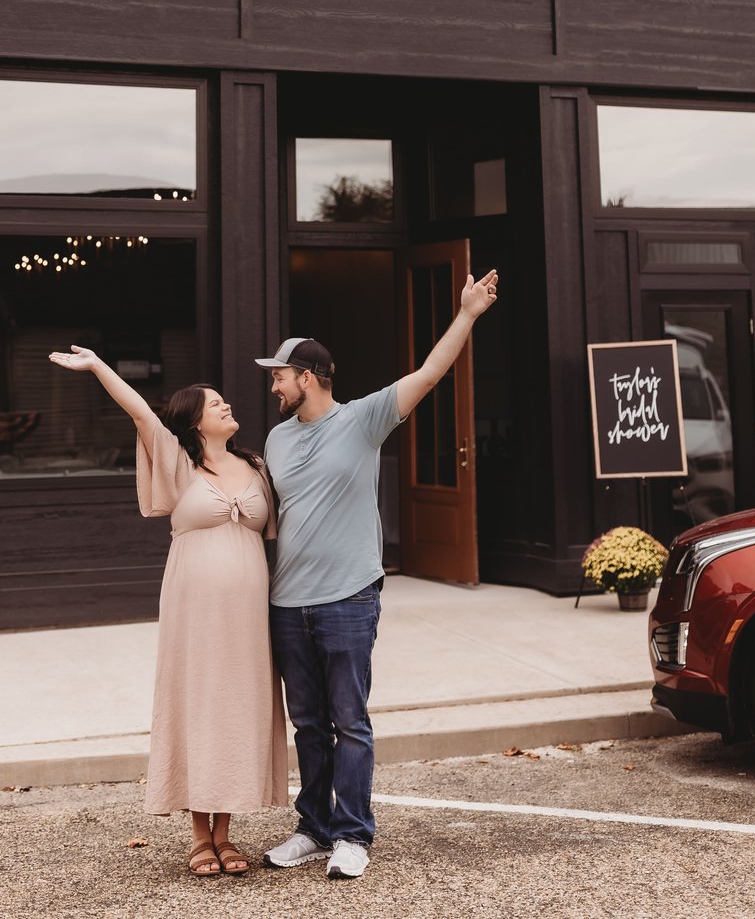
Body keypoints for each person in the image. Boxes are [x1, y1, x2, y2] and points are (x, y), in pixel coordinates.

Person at [256, 268, 499, 880]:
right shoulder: (277, 439)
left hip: (348, 598)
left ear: (307, 377)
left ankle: (353, 834)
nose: (274, 385)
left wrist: (466, 315)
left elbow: (430, 373)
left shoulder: (364, 419)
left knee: (349, 722)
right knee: (307, 725)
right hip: (288, 602)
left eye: (279, 375)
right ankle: (312, 829)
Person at [47, 346, 287, 876]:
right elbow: (139, 411)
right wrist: (99, 367)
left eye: (225, 401)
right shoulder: (179, 463)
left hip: (248, 615)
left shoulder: (255, 465)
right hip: (194, 610)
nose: (227, 407)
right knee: (198, 703)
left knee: (236, 707)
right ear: (192, 419)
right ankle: (200, 836)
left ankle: (227, 834)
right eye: (216, 403)